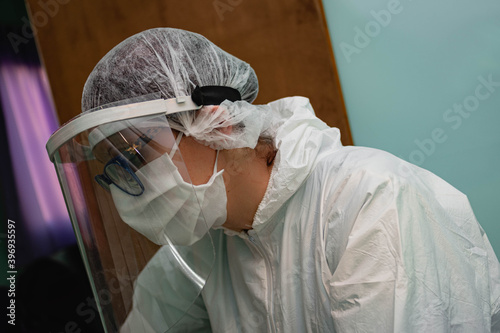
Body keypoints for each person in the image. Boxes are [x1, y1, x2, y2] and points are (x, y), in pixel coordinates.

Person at [58, 27, 500, 332]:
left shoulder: (369, 202)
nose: (126, 183)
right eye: (115, 165)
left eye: (137, 153)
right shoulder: (203, 249)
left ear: (220, 124)